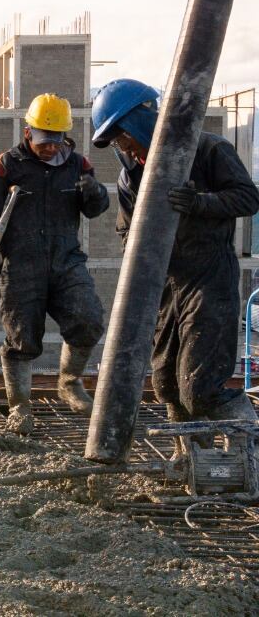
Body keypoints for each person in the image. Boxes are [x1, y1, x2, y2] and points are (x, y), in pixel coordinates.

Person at [90, 79, 259, 436]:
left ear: (141, 121)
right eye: (116, 141)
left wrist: (201, 203)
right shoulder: (131, 178)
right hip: (167, 283)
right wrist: (139, 258)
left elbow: (247, 198)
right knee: (167, 384)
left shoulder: (208, 150)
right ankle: (195, 460)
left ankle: (249, 447)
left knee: (200, 386)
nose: (122, 146)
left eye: (122, 136)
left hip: (209, 276)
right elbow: (125, 230)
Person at [0, 93, 109, 435]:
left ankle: (70, 383)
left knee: (88, 320)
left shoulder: (78, 165)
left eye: (56, 141)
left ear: (65, 136)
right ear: (28, 132)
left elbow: (95, 209)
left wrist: (95, 191)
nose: (50, 148)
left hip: (66, 263)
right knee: (21, 339)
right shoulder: (6, 166)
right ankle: (20, 406)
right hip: (20, 267)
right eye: (44, 141)